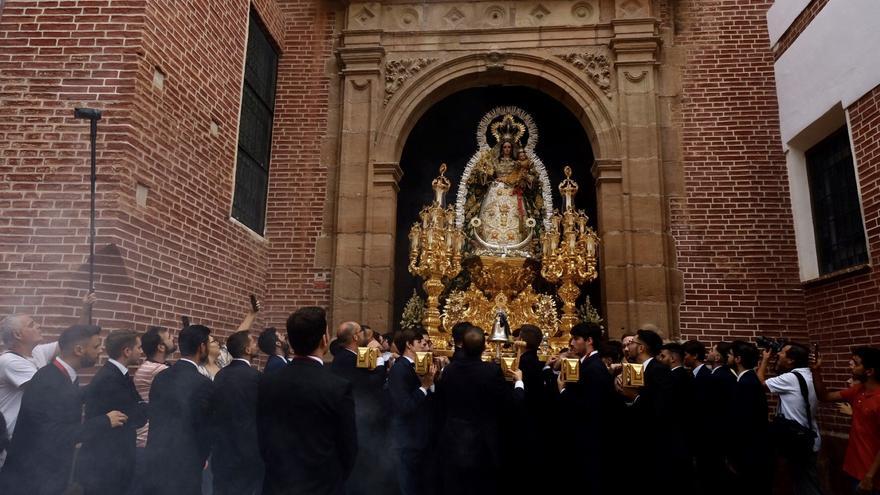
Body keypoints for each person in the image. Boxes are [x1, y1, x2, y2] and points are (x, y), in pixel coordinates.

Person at [0, 324, 127, 495]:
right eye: (96, 346)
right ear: (79, 349)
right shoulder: (48, 380)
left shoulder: (63, 376)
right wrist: (105, 421)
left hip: (46, 477)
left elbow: (66, 400)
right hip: (31, 480)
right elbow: (55, 433)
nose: (100, 351)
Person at [257, 307, 357, 495]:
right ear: (324, 340)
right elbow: (349, 449)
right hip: (322, 486)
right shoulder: (337, 387)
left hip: (278, 484)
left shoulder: (267, 382)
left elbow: (263, 440)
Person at [0, 292, 96, 453]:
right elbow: (50, 390)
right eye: (31, 324)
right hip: (13, 440)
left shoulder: (36, 352)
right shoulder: (9, 361)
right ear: (17, 334)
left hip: (31, 437)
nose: (38, 325)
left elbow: (71, 343)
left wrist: (85, 309)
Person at [435, 326, 523, 494]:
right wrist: (519, 383)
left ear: (462, 346)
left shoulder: (449, 371)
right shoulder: (490, 371)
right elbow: (511, 402)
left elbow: (440, 402)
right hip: (482, 445)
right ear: (484, 347)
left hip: (453, 440)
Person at [145, 324, 216, 494]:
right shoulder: (203, 384)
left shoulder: (161, 377)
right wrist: (201, 458)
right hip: (186, 462)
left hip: (156, 455)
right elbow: (204, 428)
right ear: (202, 347)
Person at [77, 329, 148, 494]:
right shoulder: (110, 378)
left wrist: (140, 408)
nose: (141, 351)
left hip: (115, 459)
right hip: (106, 464)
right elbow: (133, 416)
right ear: (127, 351)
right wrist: (142, 409)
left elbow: (138, 408)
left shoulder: (119, 374)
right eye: (138, 347)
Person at [557, 322, 622, 493]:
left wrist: (563, 390)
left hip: (590, 439)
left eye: (576, 338)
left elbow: (589, 406)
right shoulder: (587, 364)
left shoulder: (594, 367)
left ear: (589, 340)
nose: (571, 343)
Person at [330, 321, 388, 495]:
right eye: (362, 332)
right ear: (355, 337)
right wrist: (379, 359)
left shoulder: (349, 357)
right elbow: (372, 384)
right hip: (357, 422)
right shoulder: (347, 359)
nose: (366, 335)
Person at [757, 342, 823, 495]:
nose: (778, 354)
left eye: (782, 353)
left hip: (796, 439)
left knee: (806, 484)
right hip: (809, 436)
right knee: (806, 480)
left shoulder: (791, 378)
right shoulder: (809, 374)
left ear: (791, 360)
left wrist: (765, 359)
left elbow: (760, 383)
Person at [813, 346, 880, 494]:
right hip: (854, 469)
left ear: (869, 371)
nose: (851, 365)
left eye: (855, 363)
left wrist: (869, 476)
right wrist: (816, 371)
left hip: (871, 477)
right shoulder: (859, 390)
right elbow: (825, 397)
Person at [616, 328, 671, 492]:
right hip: (639, 442)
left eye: (632, 343)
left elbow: (660, 407)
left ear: (641, 348)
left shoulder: (658, 370)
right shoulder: (637, 369)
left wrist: (635, 398)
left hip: (654, 445)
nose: (627, 347)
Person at [212, 330, 263, 495]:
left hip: (222, 448)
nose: (256, 345)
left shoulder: (220, 375)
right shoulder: (256, 377)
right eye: (253, 342)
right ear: (247, 350)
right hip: (248, 449)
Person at [388, 328, 436, 495]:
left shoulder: (419, 366)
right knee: (408, 486)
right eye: (421, 343)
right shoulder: (400, 369)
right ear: (409, 345)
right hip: (407, 439)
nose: (425, 346)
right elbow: (404, 406)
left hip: (421, 437)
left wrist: (431, 382)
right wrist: (424, 387)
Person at [728, 340, 771, 495]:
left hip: (749, 451)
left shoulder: (746, 383)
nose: (727, 356)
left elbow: (743, 421)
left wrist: (735, 454)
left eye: (730, 354)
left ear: (738, 359)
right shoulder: (748, 380)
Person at [658, 342, 695, 484]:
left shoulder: (673, 378)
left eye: (663, 356)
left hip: (676, 434)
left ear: (672, 358)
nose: (660, 359)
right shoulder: (685, 375)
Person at [684, 339, 714, 492]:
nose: (684, 358)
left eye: (686, 354)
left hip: (703, 435)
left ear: (695, 356)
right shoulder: (693, 375)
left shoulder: (705, 376)